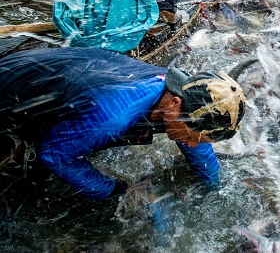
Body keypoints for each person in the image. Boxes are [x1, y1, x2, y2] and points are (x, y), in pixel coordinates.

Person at [0, 47, 246, 200]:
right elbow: (54, 155)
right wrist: (117, 190)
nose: (192, 145)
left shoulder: (177, 90)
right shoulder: (112, 115)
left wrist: (215, 187)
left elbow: (200, 146)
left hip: (54, 75)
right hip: (10, 96)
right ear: (175, 105)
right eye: (193, 136)